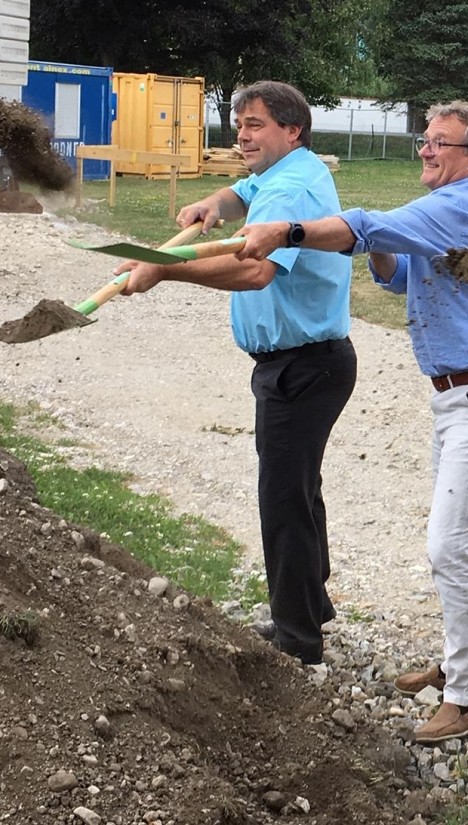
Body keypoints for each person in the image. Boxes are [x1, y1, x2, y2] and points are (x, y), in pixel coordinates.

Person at [234, 101, 468, 745]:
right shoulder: (447, 210)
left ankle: (467, 698)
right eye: (424, 140)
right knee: (464, 541)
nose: (425, 150)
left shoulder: (465, 202)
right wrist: (380, 248)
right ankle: (459, 663)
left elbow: (366, 225)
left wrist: (290, 231)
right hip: (459, 396)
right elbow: (398, 277)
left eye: (440, 143)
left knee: (449, 545)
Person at [115, 80, 357, 666]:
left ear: (291, 129)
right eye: (239, 124)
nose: (242, 135)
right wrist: (211, 206)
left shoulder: (292, 188)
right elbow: (242, 194)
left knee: (283, 498)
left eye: (255, 124)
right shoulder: (286, 172)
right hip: (307, 363)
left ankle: (296, 640)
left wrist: (164, 271)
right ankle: (311, 603)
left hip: (302, 368)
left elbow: (255, 273)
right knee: (299, 488)